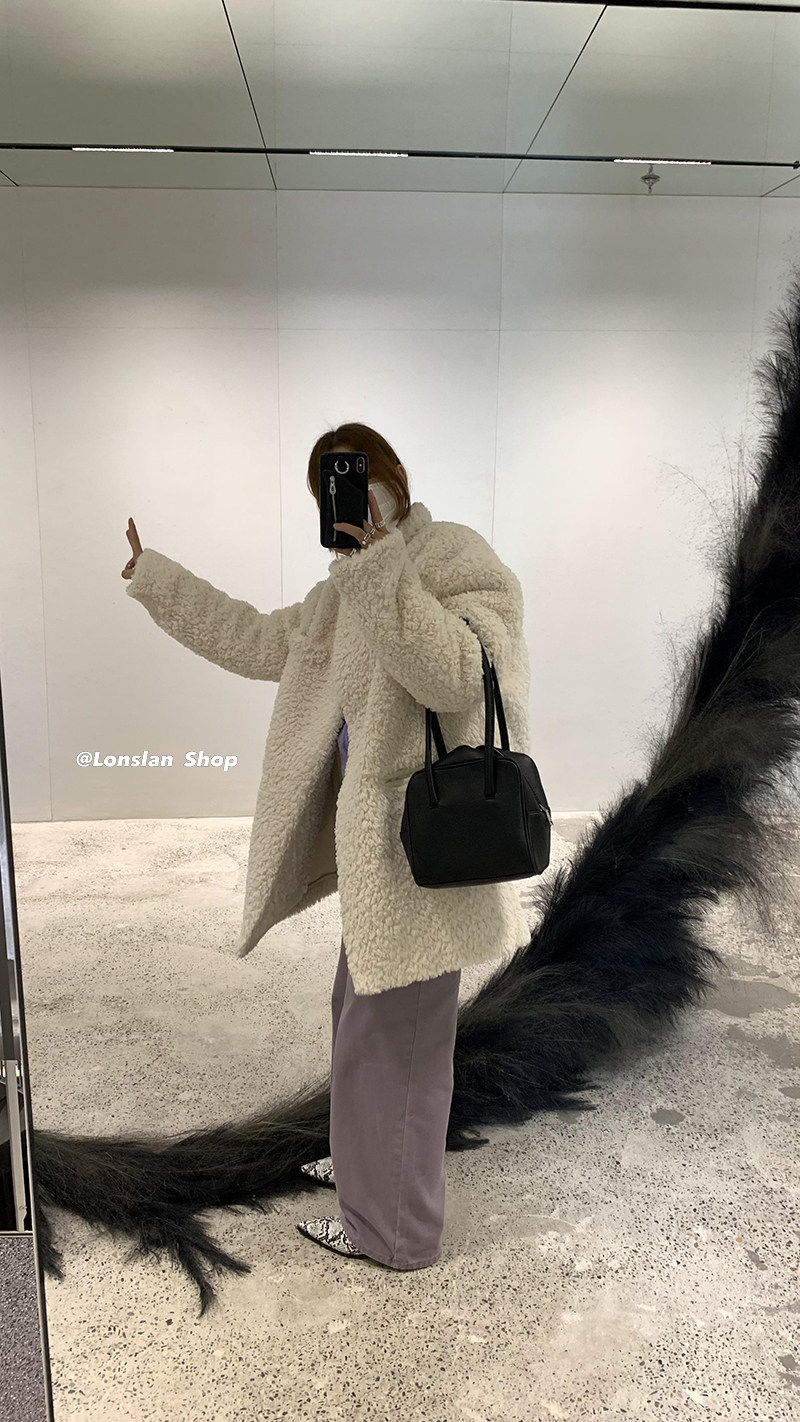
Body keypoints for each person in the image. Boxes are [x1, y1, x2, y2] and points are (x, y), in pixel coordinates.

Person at [123, 421, 531, 1271]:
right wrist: (155, 579)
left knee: (400, 1049)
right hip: (379, 859)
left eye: (357, 475)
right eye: (330, 489)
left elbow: (458, 675)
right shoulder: (339, 592)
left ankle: (395, 1232)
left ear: (396, 475)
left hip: (430, 852)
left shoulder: (456, 557)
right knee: (360, 1022)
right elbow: (252, 637)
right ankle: (365, 1164)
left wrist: (381, 568)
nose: (349, 497)